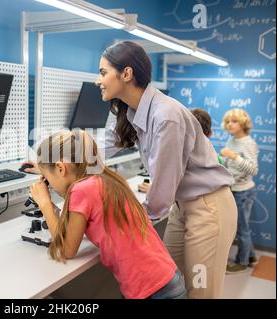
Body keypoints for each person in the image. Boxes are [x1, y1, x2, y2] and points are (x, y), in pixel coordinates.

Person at [94, 40, 237, 298]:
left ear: (126, 74)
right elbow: (100, 147)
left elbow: (161, 191)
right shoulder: (134, 111)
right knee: (170, 286)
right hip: (182, 207)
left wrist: (119, 229)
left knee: (200, 292)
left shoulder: (165, 115)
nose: (98, 80)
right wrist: (51, 162)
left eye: (103, 72)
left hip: (208, 209)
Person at [29, 129, 187, 299]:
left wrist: (44, 204)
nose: (50, 186)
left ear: (61, 168)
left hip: (153, 290)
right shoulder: (106, 179)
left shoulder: (81, 190)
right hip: (167, 279)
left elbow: (67, 250)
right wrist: (54, 210)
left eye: (48, 178)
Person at [221, 109, 259, 273]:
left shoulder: (248, 143)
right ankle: (251, 256)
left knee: (241, 229)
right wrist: (222, 159)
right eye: (228, 121)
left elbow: (252, 169)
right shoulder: (232, 140)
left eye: (234, 121)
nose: (230, 124)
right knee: (242, 227)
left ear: (243, 124)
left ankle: (242, 262)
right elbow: (230, 163)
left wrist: (234, 156)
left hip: (242, 192)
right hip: (234, 189)